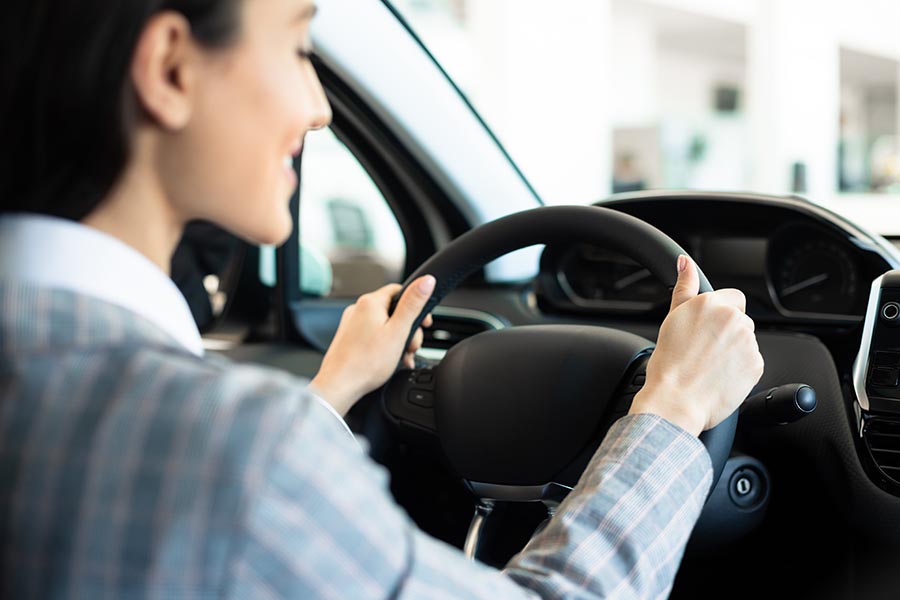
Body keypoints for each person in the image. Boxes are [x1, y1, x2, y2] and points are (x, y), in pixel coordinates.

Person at [0, 0, 764, 597]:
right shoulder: (234, 446)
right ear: (170, 68)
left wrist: (332, 391)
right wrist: (671, 407)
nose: (321, 108)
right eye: (299, 50)